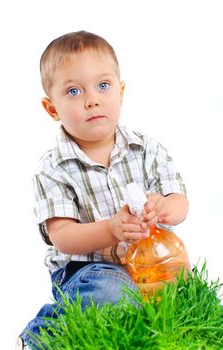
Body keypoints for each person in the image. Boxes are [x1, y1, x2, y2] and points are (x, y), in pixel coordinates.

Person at [16, 30, 189, 349]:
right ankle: (49, 327)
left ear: (121, 92)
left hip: (148, 264)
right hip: (87, 270)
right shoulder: (53, 168)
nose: (92, 99)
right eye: (73, 91)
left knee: (183, 296)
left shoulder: (146, 150)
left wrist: (164, 207)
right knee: (112, 294)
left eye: (103, 85)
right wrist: (112, 229)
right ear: (51, 108)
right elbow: (62, 236)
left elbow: (179, 203)